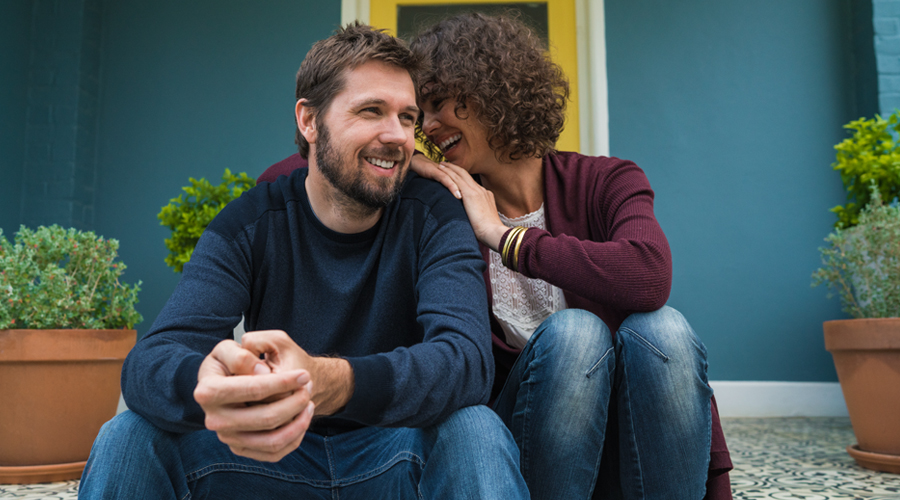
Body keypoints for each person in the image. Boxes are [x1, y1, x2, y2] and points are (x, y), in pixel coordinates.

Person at [261, 12, 733, 500]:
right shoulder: (442, 201)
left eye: (439, 104)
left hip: (623, 452)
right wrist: (401, 157)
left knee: (664, 328)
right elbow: (284, 176)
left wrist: (506, 238)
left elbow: (649, 277)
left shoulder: (606, 181)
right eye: (419, 115)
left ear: (491, 91)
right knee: (576, 333)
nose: (427, 126)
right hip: (515, 452)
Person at [79, 23, 529, 500]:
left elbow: (466, 362)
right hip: (264, 457)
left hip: (393, 453)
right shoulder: (251, 221)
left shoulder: (435, 214)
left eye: (406, 117)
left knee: (474, 430)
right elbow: (151, 360)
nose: (397, 135)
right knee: (128, 436)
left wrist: (330, 381)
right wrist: (208, 384)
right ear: (309, 122)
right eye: (372, 111)